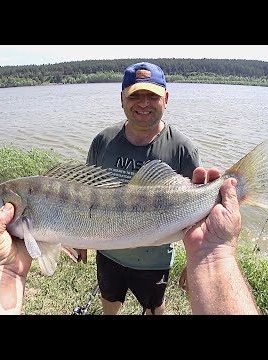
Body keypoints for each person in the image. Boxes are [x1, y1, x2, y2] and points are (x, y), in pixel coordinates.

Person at [0, 170, 259, 315]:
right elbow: (45, 253)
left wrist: (211, 250)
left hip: (154, 262)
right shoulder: (105, 140)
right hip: (112, 262)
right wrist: (6, 267)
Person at [75, 62, 201, 315]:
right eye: (135, 96)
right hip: (108, 253)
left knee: (154, 307)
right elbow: (84, 196)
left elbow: (197, 210)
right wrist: (79, 240)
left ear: (165, 98)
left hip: (154, 260)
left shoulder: (183, 149)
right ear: (122, 99)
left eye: (152, 96)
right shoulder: (103, 141)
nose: (143, 103)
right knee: (109, 302)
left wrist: (194, 259)